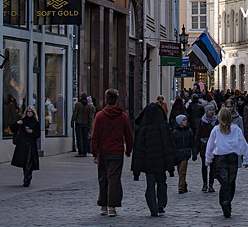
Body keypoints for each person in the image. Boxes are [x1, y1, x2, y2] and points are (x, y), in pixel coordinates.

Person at [91, 88, 133, 217]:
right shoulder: (122, 116)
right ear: (117, 100)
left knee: (103, 179)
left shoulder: (100, 116)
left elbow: (95, 136)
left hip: (103, 152)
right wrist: (128, 150)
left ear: (105, 100)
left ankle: (103, 205)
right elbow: (129, 135)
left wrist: (94, 153)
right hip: (116, 152)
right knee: (114, 179)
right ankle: (112, 207)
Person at [132, 102, 176, 217]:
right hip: (161, 162)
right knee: (162, 183)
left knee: (150, 185)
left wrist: (136, 171)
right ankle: (161, 204)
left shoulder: (143, 129)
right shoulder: (164, 127)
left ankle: (153, 209)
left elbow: (139, 151)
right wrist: (171, 166)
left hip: (148, 164)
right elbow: (169, 147)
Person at [205, 106, 248, 218]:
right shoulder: (236, 129)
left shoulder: (216, 129)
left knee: (224, 183)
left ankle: (224, 201)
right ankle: (228, 200)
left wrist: (208, 159)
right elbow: (243, 145)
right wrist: (246, 159)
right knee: (231, 181)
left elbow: (210, 146)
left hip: (220, 158)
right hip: (232, 158)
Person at [11, 105, 40, 186]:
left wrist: (31, 132)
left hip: (31, 145)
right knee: (24, 163)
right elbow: (13, 129)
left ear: (33, 113)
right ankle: (26, 177)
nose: (29, 113)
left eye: (31, 112)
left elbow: (38, 134)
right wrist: (17, 123)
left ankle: (27, 179)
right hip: (22, 144)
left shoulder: (36, 122)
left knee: (29, 162)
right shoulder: (22, 121)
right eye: (28, 111)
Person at [195, 103, 218, 192]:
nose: (211, 112)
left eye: (212, 110)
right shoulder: (202, 121)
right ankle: (204, 183)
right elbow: (198, 134)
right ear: (206, 111)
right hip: (204, 145)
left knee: (212, 166)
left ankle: (211, 184)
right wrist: (197, 147)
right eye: (210, 110)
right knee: (204, 165)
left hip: (213, 146)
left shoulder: (216, 121)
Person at [172, 115, 197, 193]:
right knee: (180, 171)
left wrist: (194, 153)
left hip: (186, 154)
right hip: (178, 154)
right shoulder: (175, 133)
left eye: (186, 120)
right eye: (183, 120)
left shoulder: (189, 131)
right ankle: (184, 184)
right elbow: (172, 145)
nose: (185, 122)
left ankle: (181, 187)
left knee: (182, 171)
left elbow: (193, 144)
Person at [71, 93, 95, 157]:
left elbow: (75, 113)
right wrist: (89, 125)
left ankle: (80, 152)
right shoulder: (88, 106)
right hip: (86, 124)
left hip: (78, 123)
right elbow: (90, 117)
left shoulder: (78, 104)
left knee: (79, 138)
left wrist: (72, 121)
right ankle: (85, 152)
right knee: (85, 138)